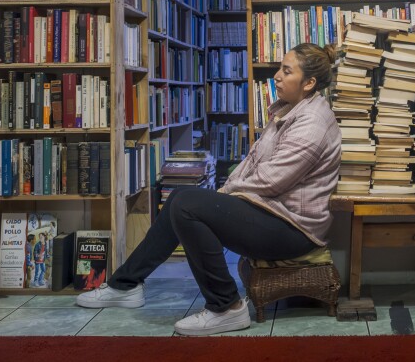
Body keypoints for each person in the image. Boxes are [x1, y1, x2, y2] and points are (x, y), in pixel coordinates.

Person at [76, 43, 342, 336]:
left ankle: (226, 307)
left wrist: (223, 195)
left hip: (293, 229)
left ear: (309, 83)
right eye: (280, 67)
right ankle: (125, 285)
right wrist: (225, 191)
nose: (277, 76)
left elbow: (271, 180)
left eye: (286, 71)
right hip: (272, 212)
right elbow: (253, 162)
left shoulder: (312, 122)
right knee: (181, 197)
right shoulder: (288, 109)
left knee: (187, 204)